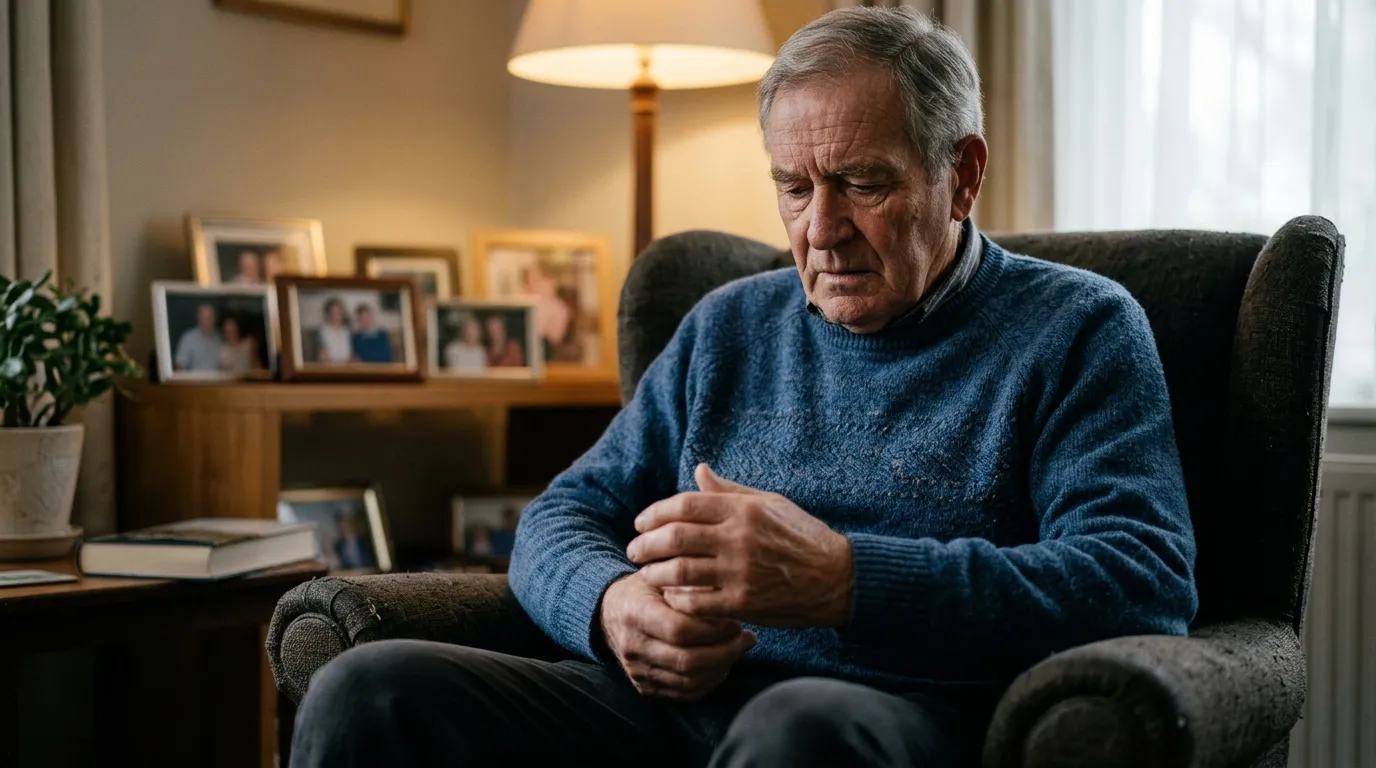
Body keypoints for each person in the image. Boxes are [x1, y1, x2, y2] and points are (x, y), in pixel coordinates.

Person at [292, 8, 1198, 768]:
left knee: (796, 730)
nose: (822, 229)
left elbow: (1140, 581)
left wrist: (847, 582)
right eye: (793, 187)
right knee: (366, 690)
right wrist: (613, 608)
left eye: (860, 183)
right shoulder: (729, 325)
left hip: (887, 716)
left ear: (961, 175)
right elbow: (563, 516)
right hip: (668, 705)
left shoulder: (1077, 327)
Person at [523, 264, 573, 361]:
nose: (534, 284)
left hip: (547, 348)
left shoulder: (558, 307)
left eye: (537, 279)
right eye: (531, 280)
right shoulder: (526, 301)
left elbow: (554, 335)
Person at [173, 302, 222, 372]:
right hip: (195, 382)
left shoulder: (219, 338)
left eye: (210, 318)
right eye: (204, 318)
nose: (207, 322)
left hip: (217, 382)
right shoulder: (188, 338)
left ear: (215, 319)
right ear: (198, 318)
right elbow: (180, 367)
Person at [315, 297, 352, 364]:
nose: (338, 314)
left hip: (347, 367)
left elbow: (350, 354)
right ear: (328, 313)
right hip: (329, 368)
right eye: (334, 311)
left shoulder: (347, 331)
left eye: (339, 310)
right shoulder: (322, 331)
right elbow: (321, 355)